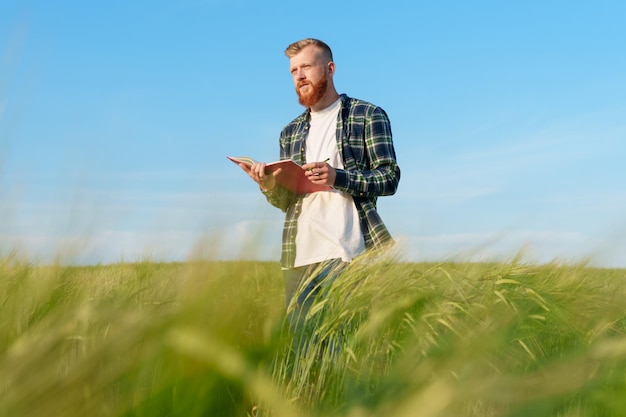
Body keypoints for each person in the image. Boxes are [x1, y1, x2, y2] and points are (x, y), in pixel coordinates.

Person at [240, 38, 400, 324]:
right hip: (297, 258)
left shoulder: (367, 115)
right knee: (301, 352)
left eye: (306, 67)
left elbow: (389, 178)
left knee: (345, 349)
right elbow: (286, 203)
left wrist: (338, 177)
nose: (299, 76)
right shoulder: (289, 132)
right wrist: (268, 186)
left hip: (347, 253)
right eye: (293, 71)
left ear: (329, 69)